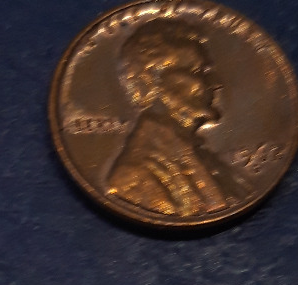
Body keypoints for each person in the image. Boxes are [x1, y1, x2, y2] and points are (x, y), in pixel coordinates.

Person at [106, 20, 249, 218]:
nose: (216, 84)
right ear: (148, 83)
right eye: (196, 71)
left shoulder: (197, 154)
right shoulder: (134, 177)